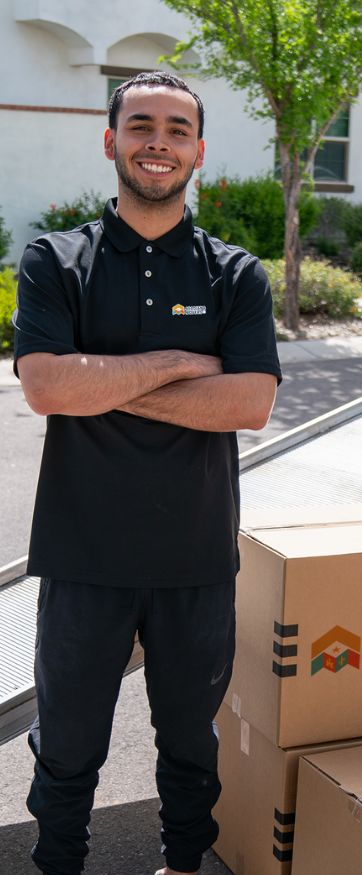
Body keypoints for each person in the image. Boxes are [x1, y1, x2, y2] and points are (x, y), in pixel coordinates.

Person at [13, 71, 282, 875]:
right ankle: (58, 863)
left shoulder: (236, 274)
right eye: (140, 126)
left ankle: (183, 864)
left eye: (175, 129)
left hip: (194, 555)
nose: (157, 142)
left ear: (198, 151)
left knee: (190, 741)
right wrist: (178, 364)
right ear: (111, 141)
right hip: (82, 553)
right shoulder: (56, 260)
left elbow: (250, 403)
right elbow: (46, 387)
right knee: (67, 744)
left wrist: (103, 384)